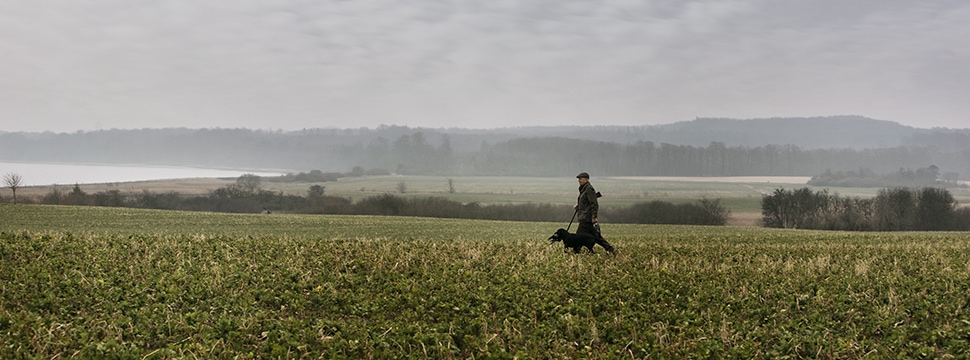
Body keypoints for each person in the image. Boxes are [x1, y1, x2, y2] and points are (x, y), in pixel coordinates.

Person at [574, 172, 616, 254]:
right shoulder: (584, 189)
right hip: (585, 217)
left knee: (579, 236)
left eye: (580, 179)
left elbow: (594, 204)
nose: (579, 180)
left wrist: (594, 216)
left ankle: (576, 252)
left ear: (586, 179)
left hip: (587, 217)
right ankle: (610, 249)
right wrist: (579, 206)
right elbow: (586, 202)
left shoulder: (589, 189)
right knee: (596, 237)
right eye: (578, 179)